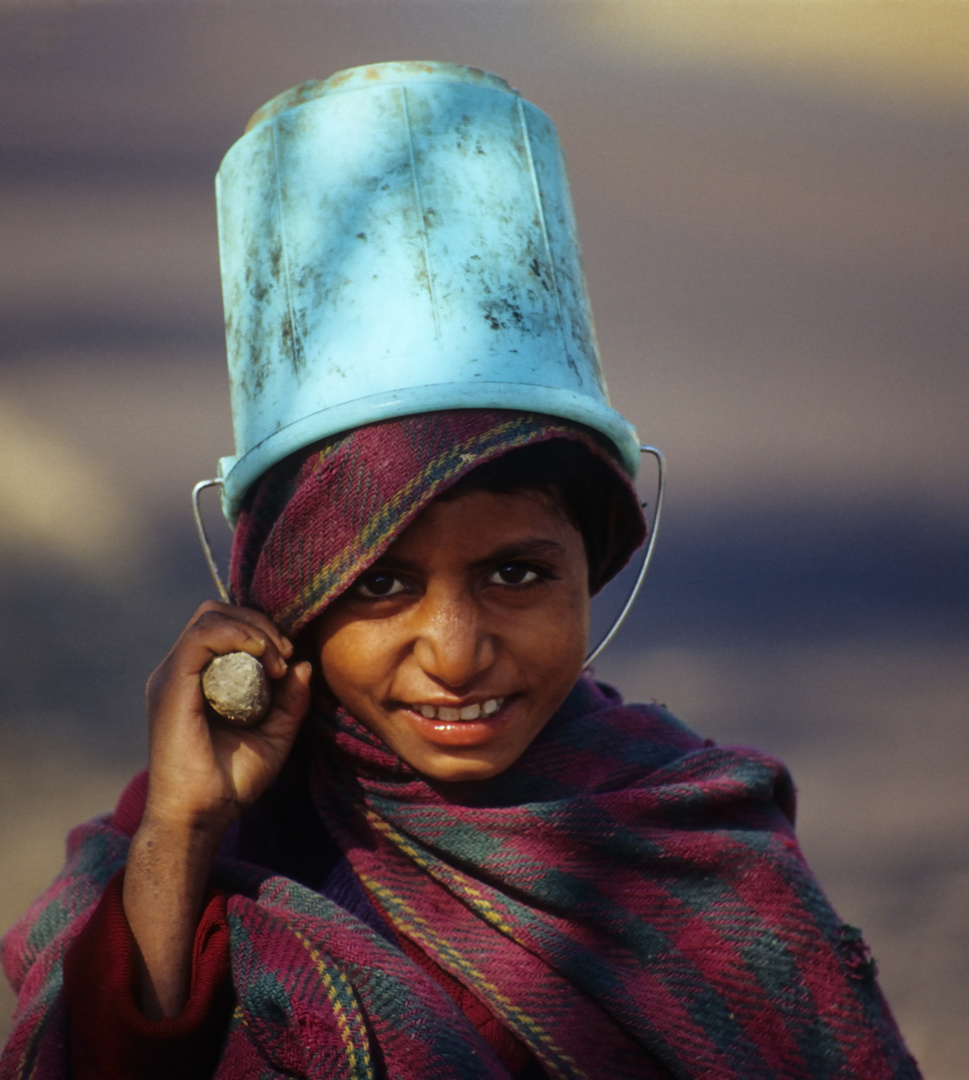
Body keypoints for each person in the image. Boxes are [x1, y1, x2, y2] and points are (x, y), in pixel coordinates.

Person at [1, 64, 920, 1080]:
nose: (456, 653)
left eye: (517, 576)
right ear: (284, 603)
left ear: (594, 560)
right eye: (381, 584)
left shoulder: (706, 854)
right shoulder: (209, 843)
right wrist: (181, 831)